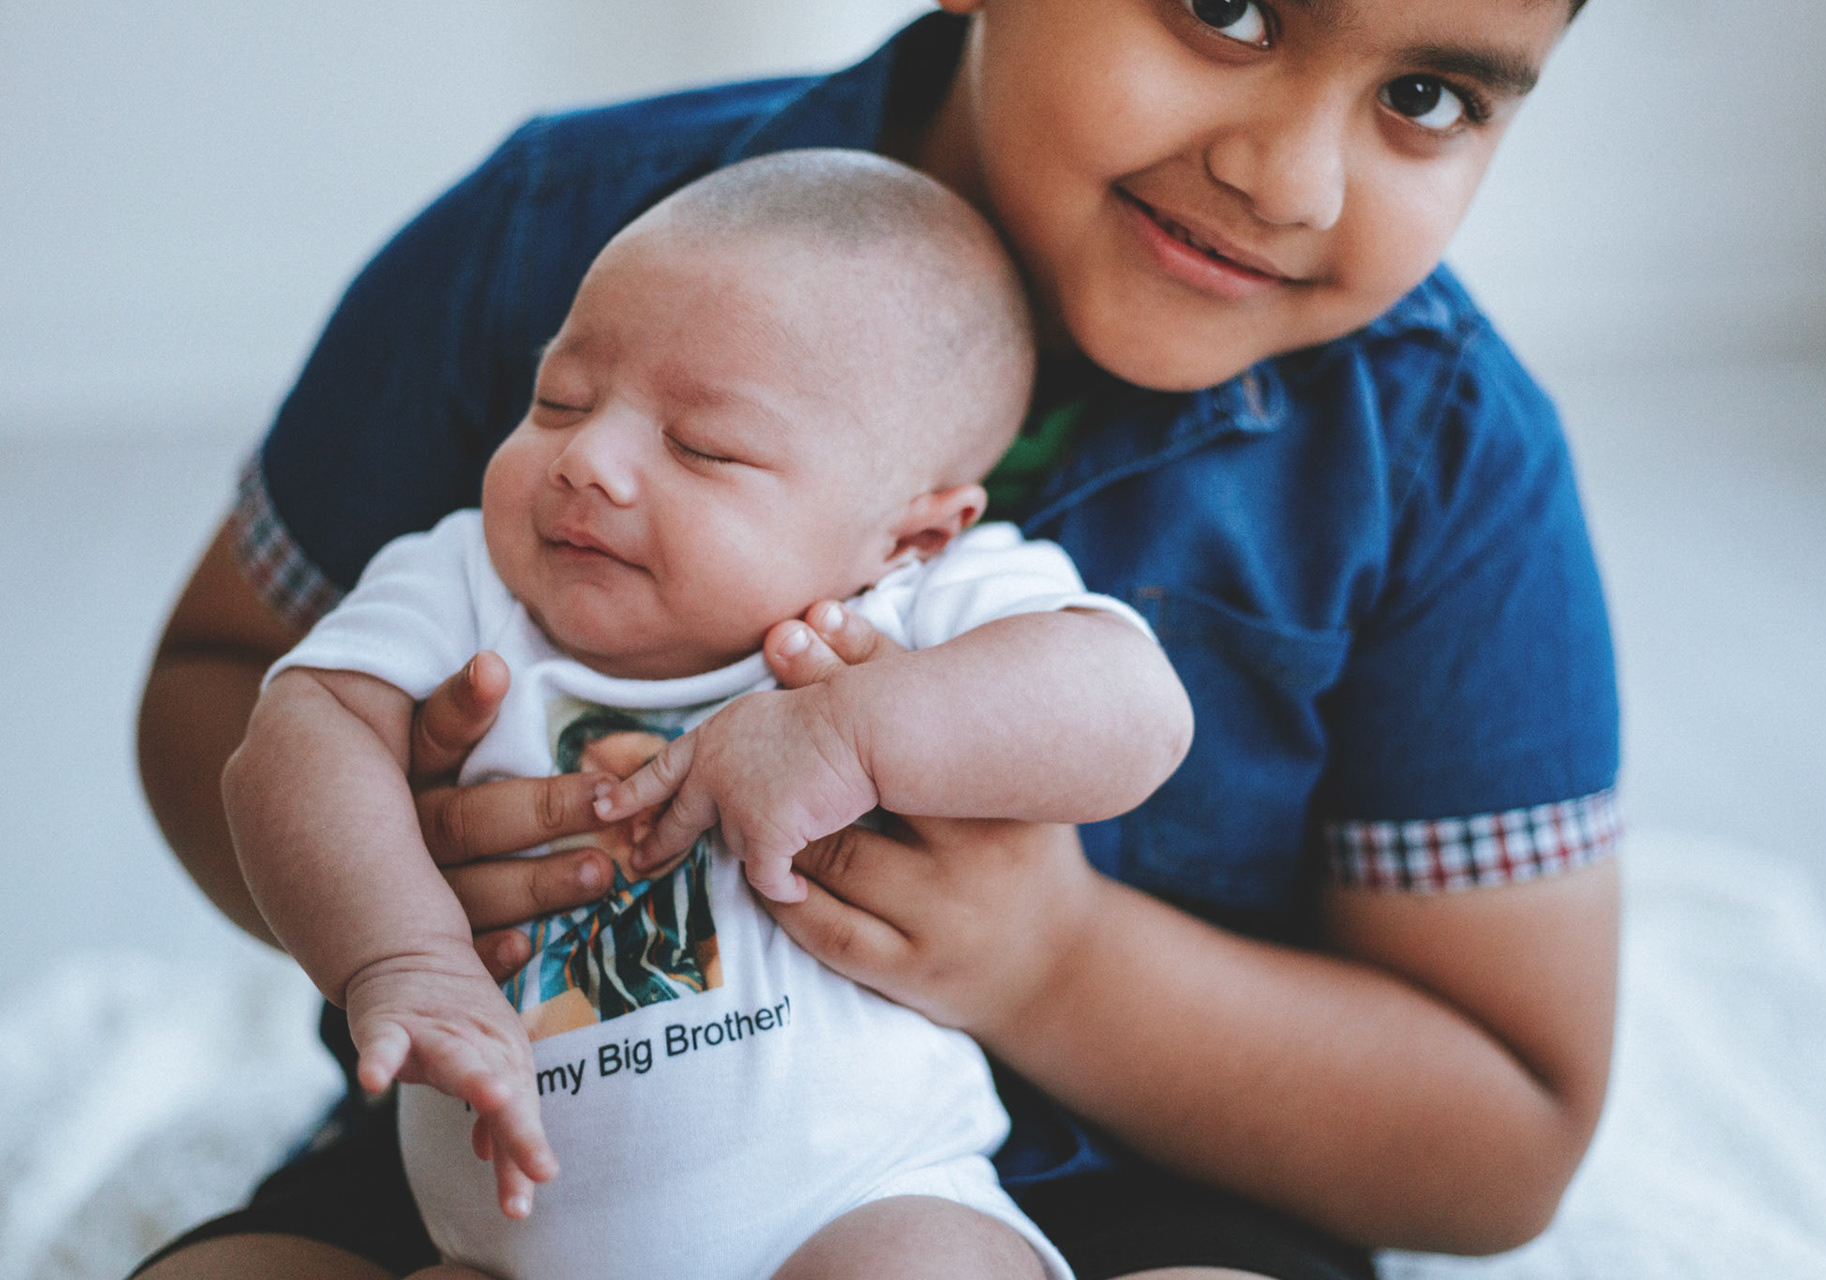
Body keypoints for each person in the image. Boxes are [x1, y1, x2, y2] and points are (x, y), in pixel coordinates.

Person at [135, 2, 1622, 1278]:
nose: (1286, 176)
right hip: (500, 1150)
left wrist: (1053, 964)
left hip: (1138, 1178)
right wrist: (388, 891)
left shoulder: (1443, 449)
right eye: (1226, 4)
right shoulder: (554, 224)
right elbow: (222, 679)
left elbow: (1507, 1136)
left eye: (1428, 94)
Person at [221, 149, 1190, 1280]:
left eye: (703, 446)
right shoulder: (467, 585)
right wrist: (400, 954)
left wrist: (849, 730)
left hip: (856, 1202)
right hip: (509, 1249)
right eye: (559, 399)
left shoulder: (916, 601)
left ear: (910, 530)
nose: (589, 460)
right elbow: (296, 736)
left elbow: (1136, 713)